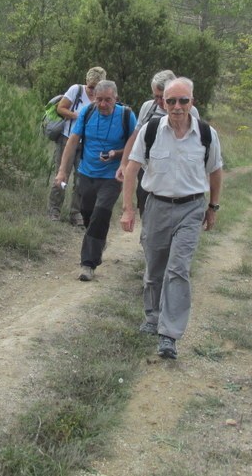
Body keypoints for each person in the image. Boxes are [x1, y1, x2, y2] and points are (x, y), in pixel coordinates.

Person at [120, 77, 223, 359]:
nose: (177, 107)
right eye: (171, 101)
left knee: (178, 269)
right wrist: (128, 209)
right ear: (162, 103)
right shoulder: (151, 131)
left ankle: (169, 335)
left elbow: (215, 171)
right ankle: (152, 317)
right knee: (155, 269)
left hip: (190, 209)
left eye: (183, 101)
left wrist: (212, 207)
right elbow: (132, 169)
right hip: (156, 207)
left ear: (192, 102)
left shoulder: (206, 134)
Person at [55, 80, 136, 282]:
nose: (103, 104)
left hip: (112, 176)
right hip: (87, 173)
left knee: (100, 214)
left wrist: (117, 156)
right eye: (99, 99)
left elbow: (133, 144)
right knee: (88, 214)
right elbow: (73, 140)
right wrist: (62, 171)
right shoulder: (87, 112)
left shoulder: (126, 115)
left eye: (108, 100)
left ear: (115, 99)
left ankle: (88, 264)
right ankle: (98, 243)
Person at [116, 69, 199, 216]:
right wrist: (124, 164)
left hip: (176, 171)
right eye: (156, 96)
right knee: (145, 209)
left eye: (162, 97)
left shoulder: (191, 112)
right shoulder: (148, 108)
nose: (159, 102)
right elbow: (135, 137)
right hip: (147, 168)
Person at [48, 67, 106, 226]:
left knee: (81, 180)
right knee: (62, 175)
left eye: (97, 88)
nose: (93, 91)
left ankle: (75, 213)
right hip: (67, 140)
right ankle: (54, 210)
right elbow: (61, 108)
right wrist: (77, 116)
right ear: (87, 82)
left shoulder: (102, 99)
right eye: (91, 87)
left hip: (87, 144)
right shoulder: (76, 90)